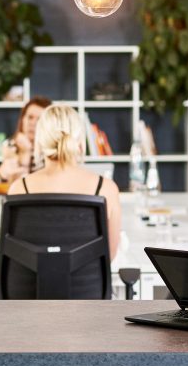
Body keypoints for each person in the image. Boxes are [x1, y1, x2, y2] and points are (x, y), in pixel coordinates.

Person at [8, 104, 121, 260]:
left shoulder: (19, 188)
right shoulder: (106, 189)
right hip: (88, 277)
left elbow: (14, 254)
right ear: (80, 141)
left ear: (40, 142)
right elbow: (110, 256)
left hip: (33, 277)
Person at [1, 96, 52, 182]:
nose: (33, 123)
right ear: (22, 119)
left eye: (39, 119)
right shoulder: (10, 146)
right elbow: (14, 184)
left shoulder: (53, 148)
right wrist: (25, 152)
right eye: (30, 117)